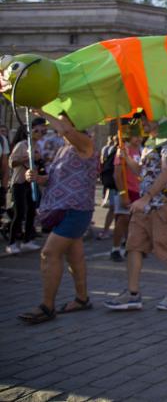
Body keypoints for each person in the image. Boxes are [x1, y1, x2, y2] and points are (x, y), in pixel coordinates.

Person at [17, 111, 97, 324]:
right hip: (62, 209)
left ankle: (47, 306)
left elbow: (65, 130)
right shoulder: (64, 148)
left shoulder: (85, 142)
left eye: (63, 119)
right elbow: (54, 179)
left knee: (49, 253)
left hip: (75, 210)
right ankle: (82, 299)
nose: (57, 124)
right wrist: (37, 178)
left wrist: (42, 111)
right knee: (75, 256)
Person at [103, 119, 167, 311]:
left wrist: (147, 197)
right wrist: (127, 158)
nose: (141, 122)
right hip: (145, 205)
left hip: (165, 205)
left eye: (145, 117)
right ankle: (133, 294)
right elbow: (144, 172)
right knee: (134, 246)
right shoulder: (149, 143)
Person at [7, 118, 46, 254]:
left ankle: (27, 240)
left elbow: (39, 165)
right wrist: (27, 158)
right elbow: (11, 163)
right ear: (31, 130)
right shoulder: (22, 145)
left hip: (31, 183)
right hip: (19, 183)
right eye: (37, 130)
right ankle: (11, 243)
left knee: (31, 212)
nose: (40, 133)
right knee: (20, 213)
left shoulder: (38, 146)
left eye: (43, 131)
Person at [110, 130, 142, 262]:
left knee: (134, 222)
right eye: (136, 136)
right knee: (122, 220)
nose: (139, 139)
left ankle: (130, 246)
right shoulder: (123, 151)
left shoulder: (141, 150)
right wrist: (123, 194)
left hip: (139, 191)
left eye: (140, 136)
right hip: (126, 190)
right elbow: (117, 175)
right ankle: (115, 249)